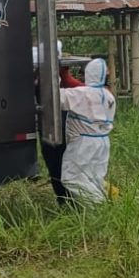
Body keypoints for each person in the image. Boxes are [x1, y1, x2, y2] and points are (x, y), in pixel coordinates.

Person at [59, 58, 115, 202]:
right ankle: (101, 212)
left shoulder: (82, 94)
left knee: (71, 178)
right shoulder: (108, 95)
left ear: (89, 73)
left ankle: (99, 204)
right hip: (102, 142)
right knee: (94, 179)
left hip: (84, 144)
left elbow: (56, 97)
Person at [39, 66, 82, 202]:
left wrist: (64, 74)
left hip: (58, 123)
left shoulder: (68, 88)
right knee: (56, 162)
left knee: (59, 163)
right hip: (51, 123)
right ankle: (65, 199)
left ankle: (67, 200)